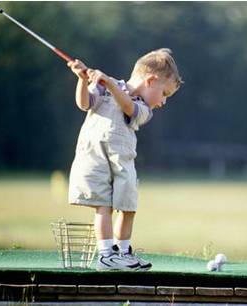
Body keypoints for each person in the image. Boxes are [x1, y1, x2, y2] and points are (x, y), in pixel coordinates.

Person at [67, 48, 182, 271]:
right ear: (150, 80)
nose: (164, 102)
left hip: (122, 161)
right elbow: (84, 103)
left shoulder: (144, 109)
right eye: (165, 94)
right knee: (103, 206)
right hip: (95, 156)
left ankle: (123, 252)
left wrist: (109, 82)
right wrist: (82, 80)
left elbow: (127, 106)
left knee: (128, 206)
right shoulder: (103, 86)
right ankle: (106, 255)